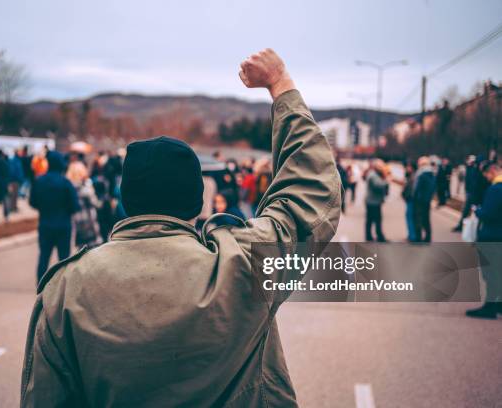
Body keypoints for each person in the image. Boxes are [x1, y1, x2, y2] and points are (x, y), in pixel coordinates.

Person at [21, 49, 341, 407]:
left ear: (127, 200)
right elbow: (309, 193)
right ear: (196, 202)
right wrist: (280, 84)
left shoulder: (64, 288)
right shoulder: (241, 265)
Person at [29, 151, 80, 283]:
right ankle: (63, 286)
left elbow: (32, 202)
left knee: (44, 256)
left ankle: (40, 286)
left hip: (45, 224)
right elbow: (75, 206)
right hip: (64, 226)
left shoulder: (39, 181)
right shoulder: (66, 183)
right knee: (64, 260)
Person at [466, 161, 502, 319]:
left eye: (487, 174)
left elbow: (488, 213)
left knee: (491, 273)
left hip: (492, 235)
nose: (487, 178)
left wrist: (477, 210)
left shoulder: (496, 189)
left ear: (493, 171)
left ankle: (490, 307)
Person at [66, 160, 102, 248]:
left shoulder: (68, 188)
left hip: (76, 224)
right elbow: (96, 203)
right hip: (89, 224)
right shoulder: (85, 188)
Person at [412, 156, 436, 243]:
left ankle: (418, 238)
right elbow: (433, 188)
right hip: (427, 200)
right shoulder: (432, 173)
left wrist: (414, 196)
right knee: (426, 219)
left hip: (419, 200)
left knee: (418, 219)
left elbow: (417, 188)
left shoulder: (421, 174)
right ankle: (428, 237)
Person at [364, 159, 388, 242]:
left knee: (370, 220)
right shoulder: (373, 175)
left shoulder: (374, 174)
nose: (382, 168)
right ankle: (379, 236)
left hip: (372, 201)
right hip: (373, 202)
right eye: (381, 166)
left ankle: (369, 236)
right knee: (376, 219)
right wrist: (387, 181)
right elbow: (378, 185)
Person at [402, 162, 417, 242]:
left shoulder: (413, 177)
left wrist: (406, 196)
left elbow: (411, 190)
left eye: (408, 167)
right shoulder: (410, 176)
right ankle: (411, 235)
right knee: (409, 218)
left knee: (410, 218)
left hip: (411, 200)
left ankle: (412, 236)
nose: (407, 168)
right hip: (409, 200)